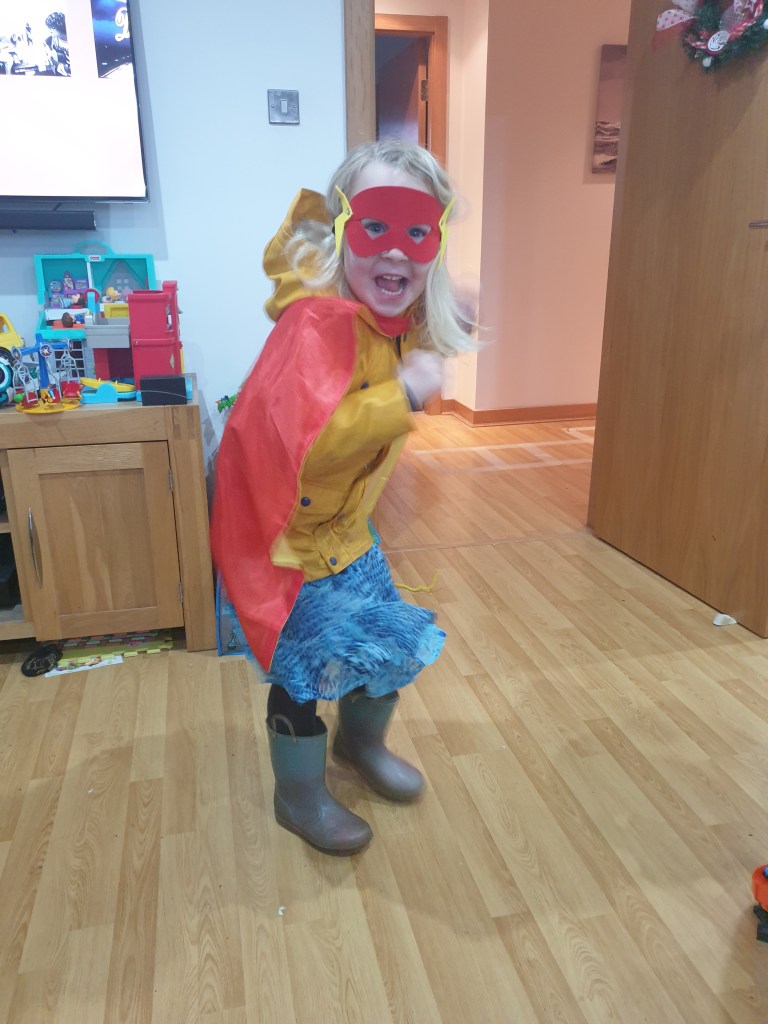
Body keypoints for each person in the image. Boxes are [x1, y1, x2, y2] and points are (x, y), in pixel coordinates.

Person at [211, 139, 474, 855]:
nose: (394, 251)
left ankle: (359, 746)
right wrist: (402, 396)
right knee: (303, 672)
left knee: (384, 644)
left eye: (416, 231)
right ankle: (297, 795)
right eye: (375, 225)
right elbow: (312, 446)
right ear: (340, 232)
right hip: (288, 544)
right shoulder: (315, 325)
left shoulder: (391, 324)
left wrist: (452, 323)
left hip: (347, 534)